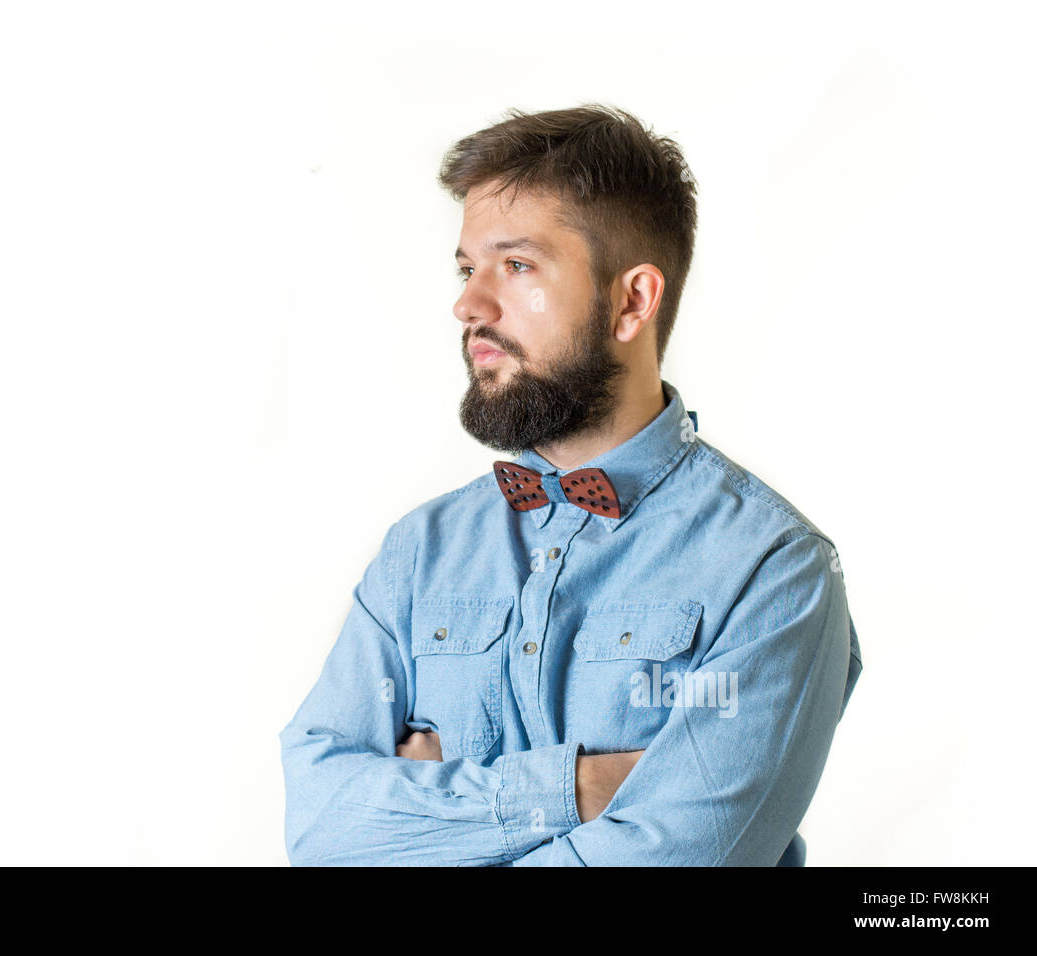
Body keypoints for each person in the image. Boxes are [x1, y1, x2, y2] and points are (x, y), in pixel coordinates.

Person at [278, 103, 862, 866]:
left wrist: (423, 818)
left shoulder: (774, 570)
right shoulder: (418, 553)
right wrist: (575, 789)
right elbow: (321, 830)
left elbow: (682, 857)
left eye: (516, 266)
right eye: (467, 268)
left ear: (633, 301)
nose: (468, 304)